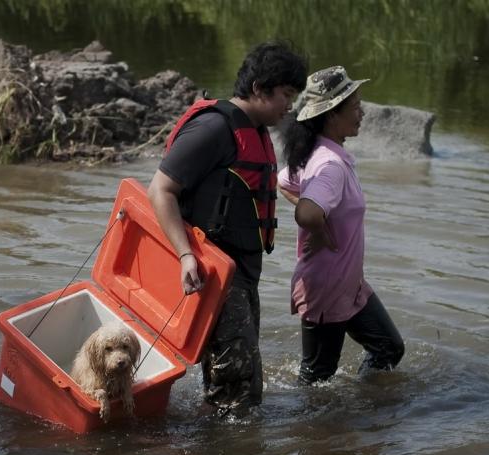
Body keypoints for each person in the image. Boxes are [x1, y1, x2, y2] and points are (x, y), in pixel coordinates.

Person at [147, 41, 307, 414]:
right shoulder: (214, 128)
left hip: (243, 272)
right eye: (285, 94)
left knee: (241, 381)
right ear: (258, 89)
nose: (290, 105)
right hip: (213, 271)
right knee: (237, 391)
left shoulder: (256, 129)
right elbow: (161, 190)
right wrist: (185, 255)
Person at [278, 66, 404, 384]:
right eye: (355, 107)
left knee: (388, 348)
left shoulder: (319, 154)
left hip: (349, 284)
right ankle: (313, 430)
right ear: (332, 115)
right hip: (327, 285)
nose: (362, 113)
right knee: (317, 381)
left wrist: (324, 224)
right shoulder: (330, 165)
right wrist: (320, 229)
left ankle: (360, 407)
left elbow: (283, 183)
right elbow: (307, 213)